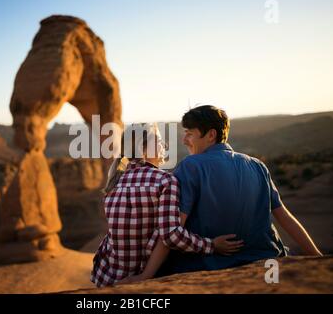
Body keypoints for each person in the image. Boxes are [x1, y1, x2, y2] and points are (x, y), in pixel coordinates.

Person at [122, 105, 322, 284]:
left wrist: (145, 276)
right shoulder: (258, 165)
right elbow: (285, 217)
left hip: (208, 265)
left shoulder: (190, 167)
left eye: (189, 134)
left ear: (210, 135)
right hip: (268, 260)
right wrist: (316, 256)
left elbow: (172, 232)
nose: (183, 140)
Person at [90, 123, 243, 287]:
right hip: (138, 278)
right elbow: (171, 236)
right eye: (159, 141)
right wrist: (212, 245)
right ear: (144, 147)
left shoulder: (115, 180)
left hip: (105, 275)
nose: (164, 145)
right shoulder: (164, 180)